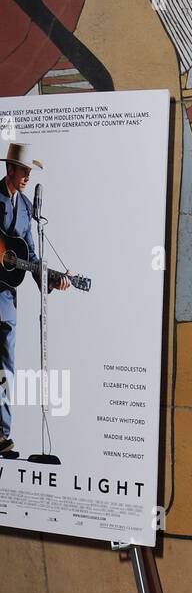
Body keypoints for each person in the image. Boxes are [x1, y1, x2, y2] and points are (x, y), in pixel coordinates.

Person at [0, 142, 70, 456]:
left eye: (30, 171)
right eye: (24, 170)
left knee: (5, 366)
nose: (28, 176)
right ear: (9, 169)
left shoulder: (27, 208)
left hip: (5, 298)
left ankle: (0, 435)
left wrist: (52, 279)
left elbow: (29, 254)